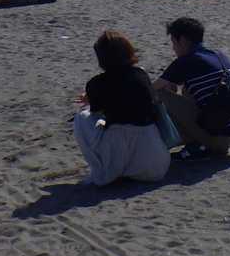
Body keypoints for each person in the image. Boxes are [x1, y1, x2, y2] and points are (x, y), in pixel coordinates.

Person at [72, 31, 171, 185]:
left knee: (82, 118)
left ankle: (101, 169)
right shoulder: (141, 75)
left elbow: (98, 112)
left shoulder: (97, 83)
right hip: (155, 164)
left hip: (120, 151)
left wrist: (91, 98)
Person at [154, 17, 230, 160]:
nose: (173, 48)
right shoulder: (219, 55)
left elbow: (151, 89)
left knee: (159, 93)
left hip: (219, 137)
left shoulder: (187, 61)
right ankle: (198, 141)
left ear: (183, 40)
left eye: (174, 42)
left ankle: (194, 143)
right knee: (187, 88)